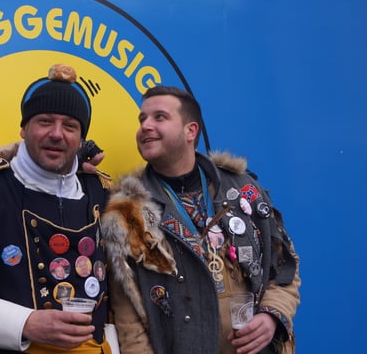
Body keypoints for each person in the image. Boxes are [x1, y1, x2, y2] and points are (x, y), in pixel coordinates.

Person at [101, 86, 300, 354]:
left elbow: (285, 266)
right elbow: (129, 320)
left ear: (191, 131)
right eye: (142, 119)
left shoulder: (243, 189)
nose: (145, 126)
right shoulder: (128, 211)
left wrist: (272, 314)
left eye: (159, 117)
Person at [0, 64, 115, 354]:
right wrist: (24, 323)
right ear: (23, 129)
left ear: (81, 139)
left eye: (70, 126)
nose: (57, 134)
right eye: (44, 121)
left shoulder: (104, 193)